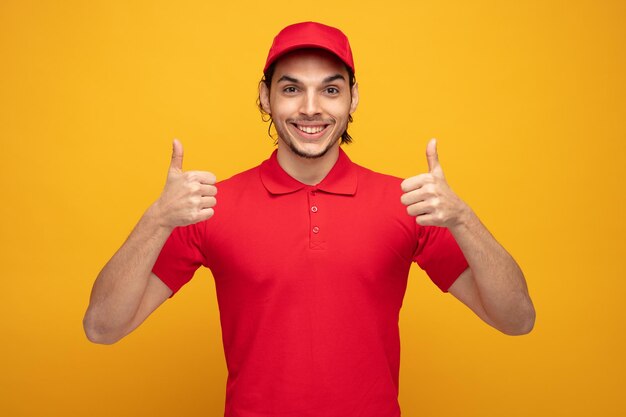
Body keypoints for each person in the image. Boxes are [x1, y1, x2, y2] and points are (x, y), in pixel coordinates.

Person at [84, 21, 535, 417]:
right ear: (265, 97)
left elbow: (516, 319)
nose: (311, 108)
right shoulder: (209, 205)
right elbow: (103, 327)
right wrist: (156, 220)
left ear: (353, 99)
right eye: (292, 88)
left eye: (331, 89)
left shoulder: (408, 202)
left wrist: (463, 218)